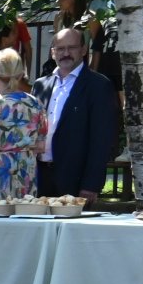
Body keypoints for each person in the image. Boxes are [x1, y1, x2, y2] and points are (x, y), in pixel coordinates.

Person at [34, 25, 116, 206]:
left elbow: (101, 140)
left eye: (71, 48)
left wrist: (91, 184)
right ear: (53, 52)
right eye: (60, 49)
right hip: (39, 176)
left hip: (75, 180)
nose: (66, 53)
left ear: (83, 50)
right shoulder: (40, 85)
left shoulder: (98, 86)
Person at [0, 49, 44, 202]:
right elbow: (41, 145)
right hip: (27, 168)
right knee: (26, 213)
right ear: (20, 75)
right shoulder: (35, 103)